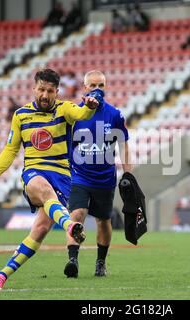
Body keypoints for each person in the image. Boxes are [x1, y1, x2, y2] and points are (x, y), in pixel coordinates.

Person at [0, 68, 99, 290]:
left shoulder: (65, 109)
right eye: (41, 89)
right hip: (34, 172)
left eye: (50, 91)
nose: (45, 95)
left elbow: (81, 114)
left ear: (56, 92)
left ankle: (1, 276)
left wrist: (89, 108)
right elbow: (11, 150)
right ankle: (70, 225)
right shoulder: (21, 115)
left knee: (39, 231)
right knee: (42, 188)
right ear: (34, 88)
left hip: (61, 177)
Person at [64, 70, 131, 278]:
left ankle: (100, 262)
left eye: (101, 85)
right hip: (79, 176)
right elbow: (67, 147)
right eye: (93, 85)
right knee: (77, 214)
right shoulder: (74, 115)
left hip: (105, 178)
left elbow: (123, 145)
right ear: (84, 88)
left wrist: (129, 174)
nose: (97, 89)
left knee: (103, 220)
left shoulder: (115, 114)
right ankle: (72, 259)